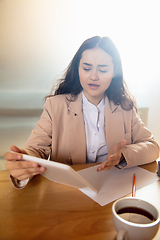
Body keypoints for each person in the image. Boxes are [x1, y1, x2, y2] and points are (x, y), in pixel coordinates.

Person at [4, 36, 159, 189]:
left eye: (103, 69)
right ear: (77, 69)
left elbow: (153, 147)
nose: (93, 76)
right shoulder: (55, 106)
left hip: (112, 191)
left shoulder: (125, 108)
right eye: (86, 68)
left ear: (114, 72)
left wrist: (122, 155)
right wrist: (24, 160)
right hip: (67, 191)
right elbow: (36, 150)